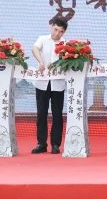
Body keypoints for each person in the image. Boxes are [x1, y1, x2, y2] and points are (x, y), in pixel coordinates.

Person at [30, 16, 68, 154]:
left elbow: (67, 61)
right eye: (56, 29)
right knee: (41, 113)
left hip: (58, 83)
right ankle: (41, 144)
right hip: (42, 83)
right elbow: (35, 48)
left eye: (61, 31)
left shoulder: (66, 44)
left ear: (64, 32)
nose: (57, 33)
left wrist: (60, 64)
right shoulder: (42, 39)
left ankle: (56, 144)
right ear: (51, 27)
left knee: (57, 114)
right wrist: (41, 62)